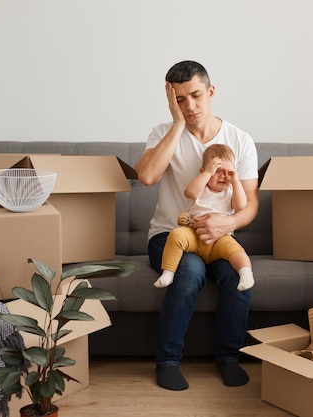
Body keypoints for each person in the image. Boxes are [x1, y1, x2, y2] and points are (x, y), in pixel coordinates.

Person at [135, 60, 259, 391]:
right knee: (188, 270)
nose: (190, 106)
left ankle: (229, 358)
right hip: (170, 236)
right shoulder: (162, 133)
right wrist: (177, 125)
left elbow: (250, 202)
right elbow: (146, 176)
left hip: (217, 237)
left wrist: (228, 222)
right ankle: (168, 361)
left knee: (237, 275)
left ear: (211, 92)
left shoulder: (240, 140)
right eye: (180, 100)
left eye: (195, 96)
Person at [153, 144, 254, 291]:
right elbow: (190, 193)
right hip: (194, 235)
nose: (223, 176)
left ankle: (246, 274)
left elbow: (241, 205)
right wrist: (207, 174)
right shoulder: (201, 187)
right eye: (217, 171)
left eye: (228, 172)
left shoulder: (231, 190)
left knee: (237, 251)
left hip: (220, 239)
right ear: (203, 171)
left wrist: (236, 181)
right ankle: (168, 273)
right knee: (176, 235)